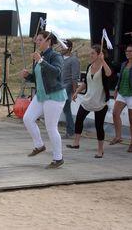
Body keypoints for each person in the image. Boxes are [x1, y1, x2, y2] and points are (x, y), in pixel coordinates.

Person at [21, 31, 67, 169]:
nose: (37, 42)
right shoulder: (40, 56)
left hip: (54, 95)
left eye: (40, 40)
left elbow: (56, 72)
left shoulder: (55, 55)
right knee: (27, 119)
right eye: (37, 40)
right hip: (41, 95)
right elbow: (38, 78)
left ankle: (58, 158)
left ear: (48, 42)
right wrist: (28, 76)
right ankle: (39, 145)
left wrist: (40, 60)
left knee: (51, 127)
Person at [66, 45, 112, 158]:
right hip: (88, 99)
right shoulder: (89, 66)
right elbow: (86, 83)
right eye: (90, 53)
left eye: (92, 53)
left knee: (99, 126)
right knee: (79, 119)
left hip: (99, 101)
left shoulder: (103, 67)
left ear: (98, 55)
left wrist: (103, 61)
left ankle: (100, 150)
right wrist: (76, 91)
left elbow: (109, 73)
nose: (90, 55)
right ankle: (76, 143)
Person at [61, 39, 80, 139]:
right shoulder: (59, 58)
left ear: (69, 48)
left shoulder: (74, 60)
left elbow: (74, 77)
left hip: (67, 87)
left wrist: (75, 91)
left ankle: (70, 130)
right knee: (64, 109)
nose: (61, 48)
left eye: (63, 46)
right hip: (58, 87)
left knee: (66, 108)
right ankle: (70, 130)